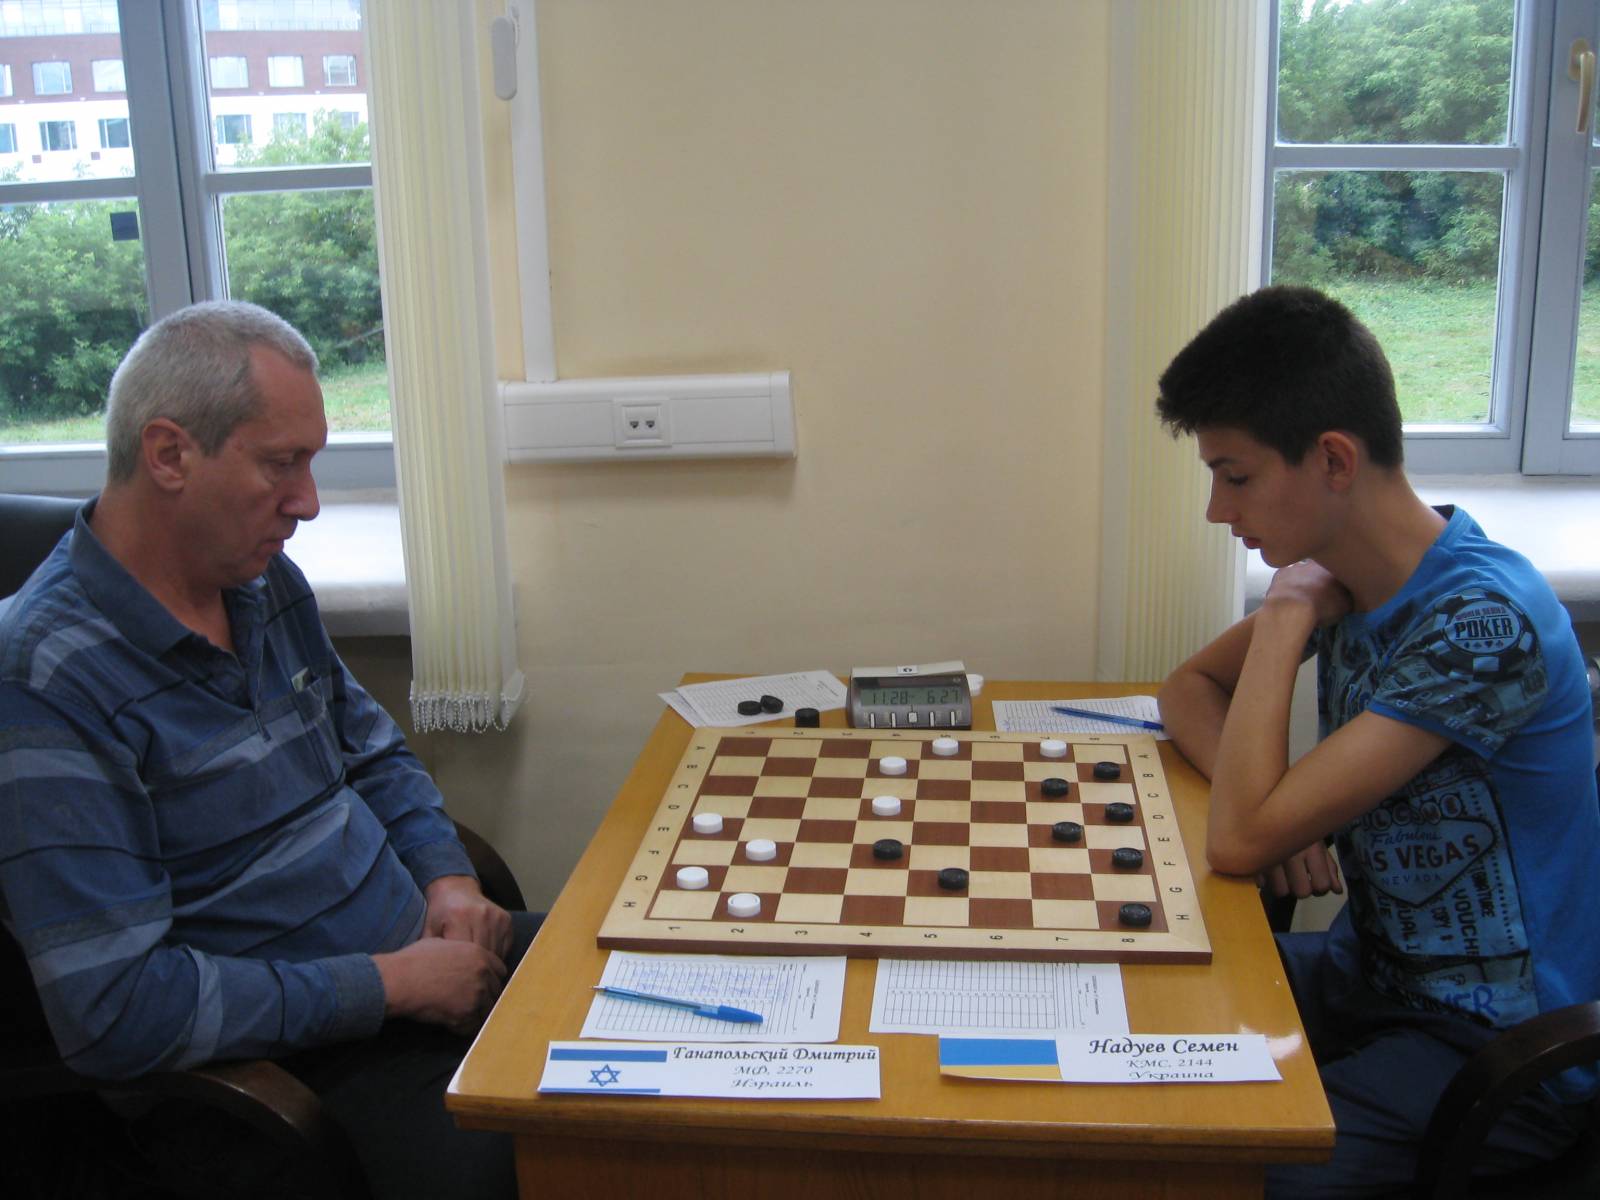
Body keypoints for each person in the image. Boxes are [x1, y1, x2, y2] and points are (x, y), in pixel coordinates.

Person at [0, 301, 537, 1200]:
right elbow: (117, 1011)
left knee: (652, 973)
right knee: (596, 1153)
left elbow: (372, 753)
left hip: (424, 961)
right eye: (281, 465)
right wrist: (391, 986)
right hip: (297, 1070)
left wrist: (448, 880)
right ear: (169, 454)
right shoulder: (48, 680)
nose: (308, 503)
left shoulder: (258, 581)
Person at [1153, 285, 1600, 1196]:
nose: (1216, 510)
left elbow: (1236, 841)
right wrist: (1285, 814)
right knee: (1135, 1013)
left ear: (1333, 459)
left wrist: (1284, 621)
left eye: (1235, 477)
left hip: (1495, 1047)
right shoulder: (1363, 573)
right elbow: (1187, 690)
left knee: (1211, 1172)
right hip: (1370, 975)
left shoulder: (1481, 624)